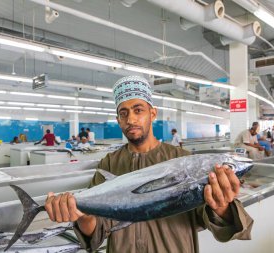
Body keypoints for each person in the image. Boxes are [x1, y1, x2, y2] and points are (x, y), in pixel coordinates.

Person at [44, 76, 253, 253]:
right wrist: (83, 216)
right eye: (123, 113)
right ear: (118, 120)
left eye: (138, 110)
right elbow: (96, 234)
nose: (131, 119)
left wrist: (222, 207)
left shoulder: (182, 159)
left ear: (152, 113)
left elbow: (223, 227)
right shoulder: (109, 163)